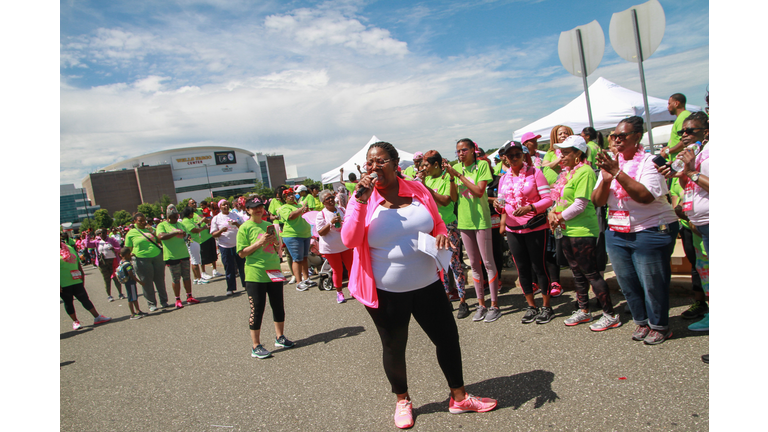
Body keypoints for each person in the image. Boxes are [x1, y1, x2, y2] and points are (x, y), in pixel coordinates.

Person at [341, 141, 497, 429]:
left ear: (395, 163)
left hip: (428, 285)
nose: (374, 167)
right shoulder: (361, 199)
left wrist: (441, 235)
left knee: (448, 338)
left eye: (380, 161)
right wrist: (359, 200)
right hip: (386, 292)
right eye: (369, 163)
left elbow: (437, 222)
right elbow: (349, 240)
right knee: (394, 346)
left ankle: (459, 397)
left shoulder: (417, 188)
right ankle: (402, 400)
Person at [593, 116, 680, 345]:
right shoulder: (611, 162)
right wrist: (604, 180)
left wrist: (618, 173)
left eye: (623, 135)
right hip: (618, 231)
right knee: (627, 282)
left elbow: (645, 196)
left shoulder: (650, 162)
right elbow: (597, 200)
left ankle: (660, 325)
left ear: (638, 137)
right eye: (614, 136)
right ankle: (641, 322)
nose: (617, 139)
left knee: (652, 283)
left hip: (651, 229)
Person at [548, 136, 621, 331]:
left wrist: (558, 217)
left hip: (582, 230)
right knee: (576, 272)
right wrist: (552, 214)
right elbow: (559, 199)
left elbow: (580, 204)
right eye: (560, 152)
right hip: (566, 229)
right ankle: (584, 310)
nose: (561, 156)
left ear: (578, 153)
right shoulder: (567, 173)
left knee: (591, 273)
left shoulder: (586, 172)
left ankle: (609, 314)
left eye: (565, 152)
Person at [658, 111, 710, 332]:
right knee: (704, 270)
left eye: (691, 130)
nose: (685, 135)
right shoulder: (693, 155)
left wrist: (691, 172)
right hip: (696, 224)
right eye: (682, 131)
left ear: (705, 132)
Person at [493, 141, 555, 324]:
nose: (513, 158)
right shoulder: (503, 178)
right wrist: (498, 206)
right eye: (509, 155)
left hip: (534, 227)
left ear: (523, 154)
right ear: (505, 157)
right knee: (522, 269)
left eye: (517, 154)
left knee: (539, 267)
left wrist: (531, 207)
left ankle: (546, 306)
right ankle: (531, 306)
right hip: (513, 229)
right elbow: (502, 206)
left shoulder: (535, 173)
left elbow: (548, 199)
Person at [443, 139, 502, 323]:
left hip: (481, 220)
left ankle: (494, 305)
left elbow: (479, 191)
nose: (461, 153)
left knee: (488, 262)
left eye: (464, 150)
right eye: (458, 151)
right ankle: (481, 304)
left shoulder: (482, 165)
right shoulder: (455, 168)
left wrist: (459, 176)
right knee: (474, 264)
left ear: (473, 150)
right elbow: (453, 198)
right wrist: (452, 177)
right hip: (465, 222)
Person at [237, 197, 295, 359]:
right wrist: (259, 243)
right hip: (255, 273)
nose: (258, 210)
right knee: (258, 309)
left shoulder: (267, 225)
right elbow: (242, 253)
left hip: (274, 270)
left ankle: (280, 337)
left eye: (261, 207)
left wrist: (275, 243)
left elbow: (276, 246)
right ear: (247, 210)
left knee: (278, 305)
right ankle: (256, 346)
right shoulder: (244, 228)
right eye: (254, 207)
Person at [418, 150, 468, 316]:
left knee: (454, 264)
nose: (424, 168)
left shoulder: (446, 178)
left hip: (448, 226)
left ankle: (462, 300)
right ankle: (446, 298)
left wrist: (426, 188)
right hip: (433, 228)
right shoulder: (428, 179)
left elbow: (446, 200)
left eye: (427, 165)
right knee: (441, 265)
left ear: (436, 164)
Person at [156, 204, 201, 309]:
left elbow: (187, 234)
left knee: (187, 277)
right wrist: (175, 233)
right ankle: (177, 299)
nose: (176, 218)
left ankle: (189, 296)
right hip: (172, 256)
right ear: (168, 217)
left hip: (184, 254)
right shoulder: (162, 225)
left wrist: (187, 236)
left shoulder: (180, 224)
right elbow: (161, 236)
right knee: (176, 279)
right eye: (174, 216)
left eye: (177, 216)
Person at [60, 239, 111, 330]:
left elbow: (77, 262)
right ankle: (75, 321)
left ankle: (97, 317)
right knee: (68, 302)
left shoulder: (69, 247)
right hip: (63, 282)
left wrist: (82, 273)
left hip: (76, 279)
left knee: (84, 298)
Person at [124, 212, 169, 311]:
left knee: (160, 280)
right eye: (140, 221)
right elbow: (128, 249)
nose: (143, 222)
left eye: (144, 220)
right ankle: (152, 303)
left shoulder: (150, 229)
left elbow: (160, 240)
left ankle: (164, 301)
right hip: (141, 259)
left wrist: (153, 231)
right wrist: (129, 256)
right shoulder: (131, 233)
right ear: (135, 221)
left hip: (157, 257)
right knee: (146, 282)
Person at [315, 190, 353, 304]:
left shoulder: (342, 209)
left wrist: (344, 223)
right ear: (323, 202)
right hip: (331, 248)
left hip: (345, 244)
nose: (331, 200)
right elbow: (321, 232)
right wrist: (331, 223)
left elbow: (349, 222)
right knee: (338, 270)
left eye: (332, 197)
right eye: (327, 198)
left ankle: (353, 289)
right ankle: (339, 292)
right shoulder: (321, 214)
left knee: (351, 267)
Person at [278, 188, 315, 291]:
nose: (291, 196)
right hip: (293, 235)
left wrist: (304, 210)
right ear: (284, 198)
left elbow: (303, 214)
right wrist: (301, 209)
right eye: (288, 195)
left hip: (304, 234)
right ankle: (299, 282)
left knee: (304, 257)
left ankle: (307, 279)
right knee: (297, 259)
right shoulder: (284, 207)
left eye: (292, 194)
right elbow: (291, 216)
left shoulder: (298, 206)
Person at [210, 198, 247, 296]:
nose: (226, 206)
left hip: (237, 245)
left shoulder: (235, 215)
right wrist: (221, 230)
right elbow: (213, 234)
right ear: (220, 207)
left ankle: (246, 284)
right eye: (223, 205)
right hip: (225, 246)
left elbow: (244, 228)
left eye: (227, 204)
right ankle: (230, 288)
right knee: (229, 267)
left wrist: (237, 224)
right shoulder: (216, 218)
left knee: (242, 266)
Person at [83, 229, 125, 302]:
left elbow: (119, 249)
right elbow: (87, 245)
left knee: (116, 278)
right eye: (99, 233)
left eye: (103, 233)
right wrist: (87, 236)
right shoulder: (97, 242)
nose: (101, 234)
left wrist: (114, 248)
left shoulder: (112, 240)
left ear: (106, 233)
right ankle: (109, 295)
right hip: (102, 263)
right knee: (106, 279)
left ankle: (120, 293)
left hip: (113, 262)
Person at [187, 198, 223, 279]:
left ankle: (215, 270)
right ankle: (203, 272)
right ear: (189, 205)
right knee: (203, 256)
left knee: (213, 253)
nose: (194, 204)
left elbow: (208, 210)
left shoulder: (200, 210)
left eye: (195, 202)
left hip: (209, 235)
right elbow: (194, 225)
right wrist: (201, 221)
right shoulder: (190, 215)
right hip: (201, 238)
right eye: (192, 203)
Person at [180, 206, 211, 286]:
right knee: (195, 261)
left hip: (194, 241)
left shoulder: (188, 220)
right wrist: (203, 228)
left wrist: (200, 224)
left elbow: (196, 226)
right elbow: (194, 230)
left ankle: (196, 278)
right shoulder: (186, 221)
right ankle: (199, 278)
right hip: (192, 241)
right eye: (192, 213)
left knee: (194, 260)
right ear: (189, 213)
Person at [116, 247, 147, 320]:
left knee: (134, 297)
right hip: (131, 283)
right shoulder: (128, 264)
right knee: (131, 298)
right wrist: (139, 282)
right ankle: (132, 314)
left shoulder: (122, 262)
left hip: (127, 282)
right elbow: (131, 274)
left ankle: (138, 310)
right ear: (127, 254)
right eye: (129, 254)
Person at [660, 93, 692, 162]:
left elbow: (685, 141)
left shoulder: (683, 117)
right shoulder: (682, 116)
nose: (668, 107)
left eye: (669, 104)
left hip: (681, 162)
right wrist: (668, 147)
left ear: (676, 103)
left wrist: (668, 151)